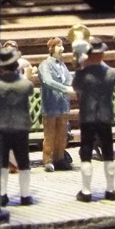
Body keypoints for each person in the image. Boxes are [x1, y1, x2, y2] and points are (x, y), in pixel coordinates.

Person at [72, 37, 115, 202]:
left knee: (86, 152)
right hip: (105, 116)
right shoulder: (111, 74)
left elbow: (75, 86)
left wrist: (81, 64)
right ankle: (111, 190)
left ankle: (86, 192)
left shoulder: (82, 75)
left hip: (87, 117)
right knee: (108, 152)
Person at [0, 45, 35, 205]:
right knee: (24, 162)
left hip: (3, 127)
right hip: (21, 128)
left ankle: (2, 195)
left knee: (2, 162)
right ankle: (25, 196)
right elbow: (30, 89)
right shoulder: (25, 84)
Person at [37, 37, 75, 173]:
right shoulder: (45, 65)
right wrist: (65, 89)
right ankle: (48, 159)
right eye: (58, 46)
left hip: (63, 104)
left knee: (62, 133)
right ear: (51, 49)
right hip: (51, 104)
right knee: (50, 134)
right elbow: (48, 81)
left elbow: (69, 79)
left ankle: (59, 158)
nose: (62, 49)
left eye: (62, 46)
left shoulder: (62, 65)